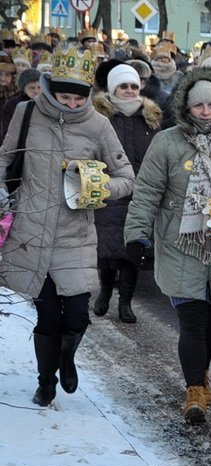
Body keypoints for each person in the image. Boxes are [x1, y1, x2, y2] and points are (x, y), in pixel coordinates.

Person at [124, 68, 211, 423]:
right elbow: (146, 194)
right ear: (187, 107)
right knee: (192, 319)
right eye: (199, 105)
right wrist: (136, 236)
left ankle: (201, 375)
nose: (205, 112)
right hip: (180, 244)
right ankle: (193, 392)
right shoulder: (167, 142)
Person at [0, 47, 135, 407]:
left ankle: (67, 357)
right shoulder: (26, 114)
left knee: (76, 313)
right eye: (65, 97)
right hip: (30, 232)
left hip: (75, 234)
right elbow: (5, 160)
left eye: (79, 98)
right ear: (48, 90)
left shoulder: (98, 125)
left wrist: (100, 188)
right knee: (46, 313)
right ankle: (46, 381)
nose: (72, 105)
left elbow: (127, 177)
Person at [91, 62, 164, 325]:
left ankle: (125, 302)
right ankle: (105, 293)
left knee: (133, 251)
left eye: (134, 86)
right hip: (109, 191)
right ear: (113, 88)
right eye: (123, 86)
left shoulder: (151, 118)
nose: (130, 90)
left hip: (140, 194)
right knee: (108, 250)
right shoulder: (100, 117)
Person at [0, 67, 38, 140]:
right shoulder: (12, 104)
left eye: (39, 87)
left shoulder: (44, 104)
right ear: (24, 88)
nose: (36, 91)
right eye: (31, 88)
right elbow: (7, 131)